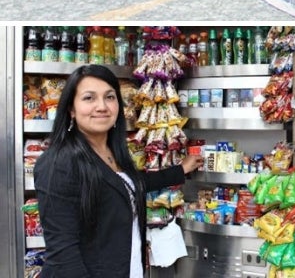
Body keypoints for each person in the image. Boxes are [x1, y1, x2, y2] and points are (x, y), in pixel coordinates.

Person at [34, 64, 204, 277]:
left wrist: (180, 170)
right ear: (71, 109)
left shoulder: (114, 153)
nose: (102, 106)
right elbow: (63, 254)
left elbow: (129, 185)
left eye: (110, 97)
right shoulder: (59, 163)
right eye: (89, 98)